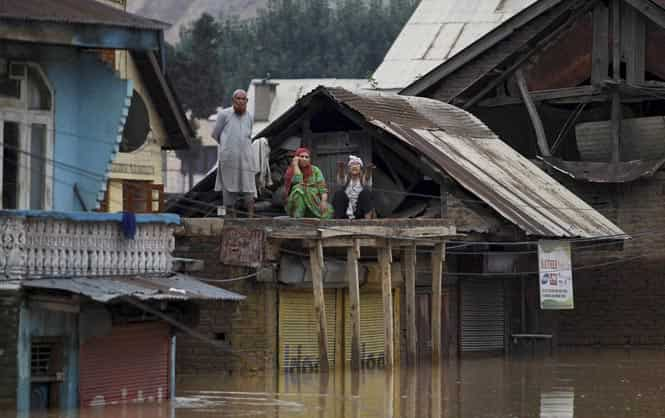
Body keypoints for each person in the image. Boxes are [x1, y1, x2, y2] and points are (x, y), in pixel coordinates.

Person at [211, 89, 256, 217]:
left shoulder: (250, 117)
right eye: (238, 99)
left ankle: (251, 219)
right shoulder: (224, 115)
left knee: (249, 189)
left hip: (246, 160)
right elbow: (215, 134)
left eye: (244, 99)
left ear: (247, 101)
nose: (241, 102)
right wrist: (228, 147)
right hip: (229, 160)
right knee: (229, 190)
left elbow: (248, 136)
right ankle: (232, 218)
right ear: (233, 100)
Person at [284, 147, 332, 219]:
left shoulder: (315, 170)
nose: (304, 159)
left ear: (309, 159)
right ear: (297, 158)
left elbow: (322, 188)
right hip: (296, 204)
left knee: (327, 211)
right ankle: (298, 218)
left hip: (313, 202)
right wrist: (296, 165)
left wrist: (323, 201)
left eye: (307, 157)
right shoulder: (291, 171)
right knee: (298, 189)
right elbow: (298, 181)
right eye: (302, 156)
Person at [333, 155, 374, 219]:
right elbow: (341, 179)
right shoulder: (347, 179)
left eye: (357, 164)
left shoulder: (362, 179)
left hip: (359, 211)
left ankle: (367, 220)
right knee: (339, 193)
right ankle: (338, 219)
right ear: (349, 168)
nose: (354, 166)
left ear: (360, 168)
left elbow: (367, 179)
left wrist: (368, 170)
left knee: (366, 192)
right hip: (346, 211)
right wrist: (341, 168)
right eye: (352, 164)